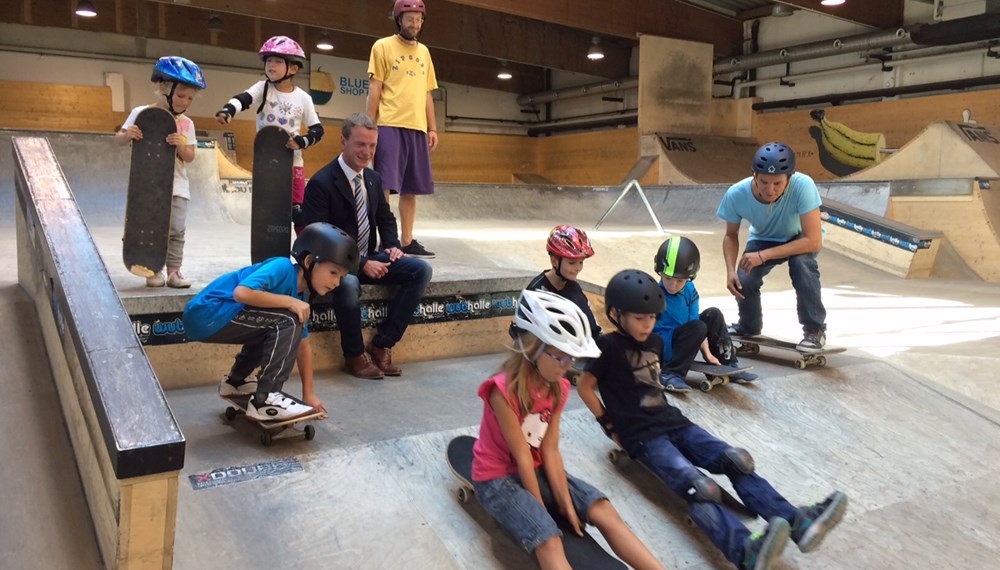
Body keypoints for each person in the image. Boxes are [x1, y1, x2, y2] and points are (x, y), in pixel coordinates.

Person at [577, 269, 849, 570]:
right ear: (616, 314)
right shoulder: (608, 347)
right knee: (699, 488)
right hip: (645, 438)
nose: (647, 324)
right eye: (639, 318)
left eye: (652, 317)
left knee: (737, 460)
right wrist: (609, 425)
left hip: (675, 423)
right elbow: (585, 386)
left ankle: (797, 522)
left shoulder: (654, 342)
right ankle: (745, 550)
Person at [471, 289, 664, 570]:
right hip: (496, 478)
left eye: (572, 358)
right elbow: (522, 456)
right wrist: (542, 511)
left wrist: (565, 503)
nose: (567, 366)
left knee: (602, 509)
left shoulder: (558, 387)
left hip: (538, 469)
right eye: (560, 357)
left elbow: (549, 450)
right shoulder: (502, 391)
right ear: (533, 347)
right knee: (548, 538)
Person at [300, 113, 432, 380]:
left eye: (372, 146)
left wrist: (393, 247)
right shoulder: (321, 182)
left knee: (420, 270)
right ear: (343, 141)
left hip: (370, 255)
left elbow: (385, 217)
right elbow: (318, 237)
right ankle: (354, 355)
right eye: (360, 144)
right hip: (334, 264)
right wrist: (360, 263)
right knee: (348, 285)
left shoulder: (372, 178)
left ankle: (382, 344)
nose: (367, 152)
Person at [181, 223, 359, 421]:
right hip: (207, 313)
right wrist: (290, 302)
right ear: (309, 261)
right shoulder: (282, 267)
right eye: (333, 272)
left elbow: (303, 345)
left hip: (213, 318)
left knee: (282, 326)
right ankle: (265, 400)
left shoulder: (300, 296)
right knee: (289, 321)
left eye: (341, 277)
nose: (336, 282)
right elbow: (241, 293)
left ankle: (236, 381)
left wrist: (308, 393)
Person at [717, 142, 828, 351]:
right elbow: (730, 235)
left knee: (801, 266)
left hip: (800, 237)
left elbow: (813, 241)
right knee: (744, 277)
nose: (770, 190)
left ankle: (815, 330)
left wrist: (764, 255)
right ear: (754, 176)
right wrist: (731, 270)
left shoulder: (804, 185)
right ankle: (748, 327)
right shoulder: (736, 194)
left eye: (777, 183)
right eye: (763, 182)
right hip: (764, 238)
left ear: (789, 178)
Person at [216, 35, 324, 234]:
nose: (271, 65)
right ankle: (268, 246)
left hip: (293, 164)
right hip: (266, 163)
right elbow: (243, 98)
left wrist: (302, 141)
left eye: (277, 61)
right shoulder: (262, 88)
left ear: (292, 68)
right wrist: (228, 110)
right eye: (268, 61)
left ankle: (304, 253)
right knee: (269, 212)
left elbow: (318, 130)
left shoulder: (303, 98)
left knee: (298, 211)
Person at [115, 56, 206, 288]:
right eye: (180, 95)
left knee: (176, 229)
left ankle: (174, 272)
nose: (185, 101)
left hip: (178, 186)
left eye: (190, 98)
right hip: (148, 184)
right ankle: (152, 269)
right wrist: (129, 135)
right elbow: (119, 140)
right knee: (150, 227)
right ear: (164, 88)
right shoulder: (141, 112)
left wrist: (180, 145)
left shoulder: (187, 124)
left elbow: (191, 156)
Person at [366, 0, 439, 258]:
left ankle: (407, 241)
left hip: (417, 127)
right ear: (399, 19)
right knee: (384, 185)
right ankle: (387, 239)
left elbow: (428, 93)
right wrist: (369, 126)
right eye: (410, 19)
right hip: (389, 123)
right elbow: (375, 88)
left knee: (411, 187)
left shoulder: (425, 52)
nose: (415, 24)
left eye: (419, 19)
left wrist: (432, 127)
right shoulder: (383, 46)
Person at [653, 236, 758, 393]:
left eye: (680, 281)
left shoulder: (690, 291)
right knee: (698, 326)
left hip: (687, 338)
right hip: (663, 346)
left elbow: (695, 323)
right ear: (659, 271)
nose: (673, 285)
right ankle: (671, 373)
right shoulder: (652, 292)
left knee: (713, 314)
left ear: (689, 278)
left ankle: (728, 362)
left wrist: (707, 354)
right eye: (667, 278)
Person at [526, 225, 602, 342]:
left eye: (581, 262)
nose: (578, 268)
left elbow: (593, 330)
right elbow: (526, 340)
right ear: (554, 261)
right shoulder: (536, 291)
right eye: (572, 262)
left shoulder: (574, 288)